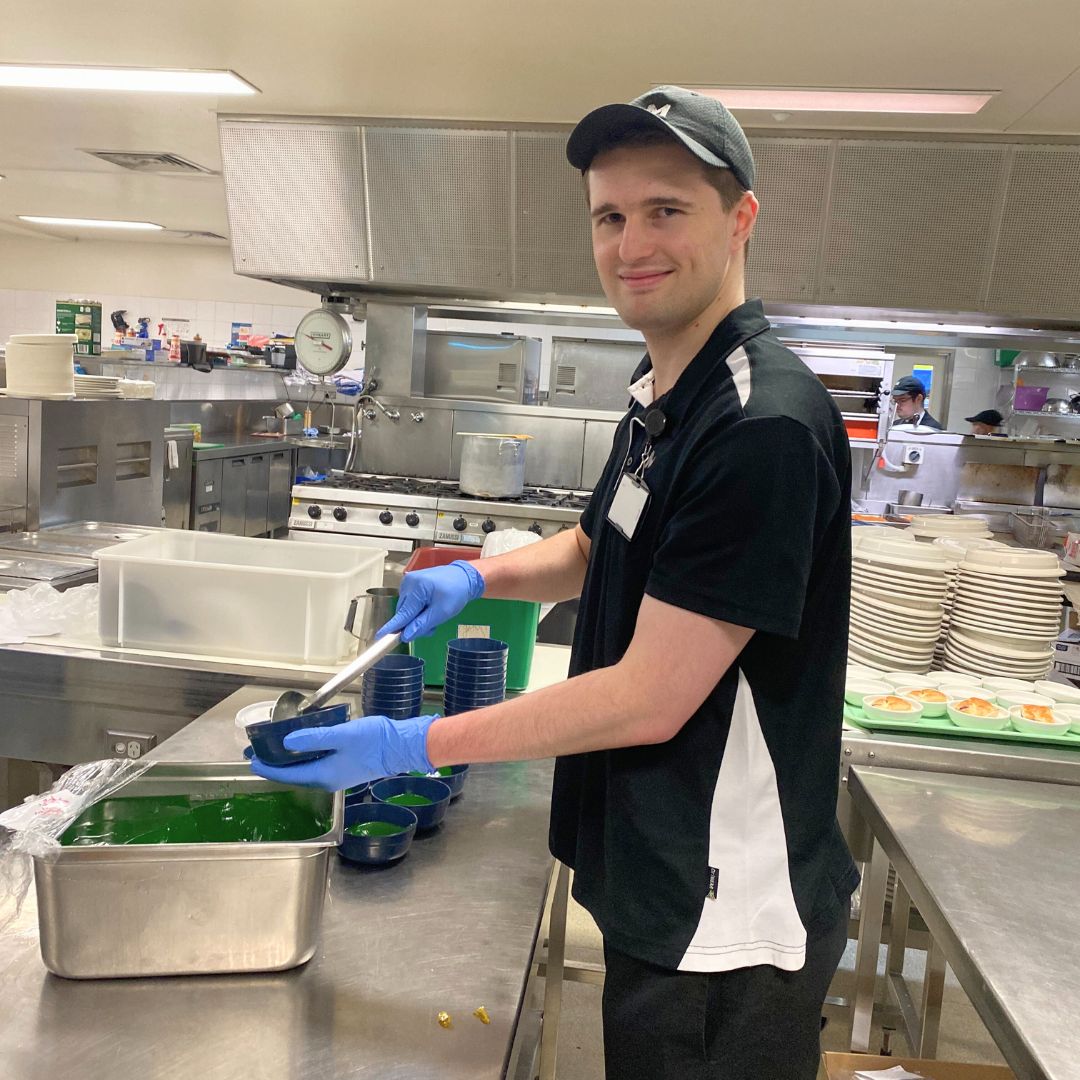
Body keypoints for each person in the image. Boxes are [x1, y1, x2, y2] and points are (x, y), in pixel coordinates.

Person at [251, 85, 859, 1080]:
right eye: (611, 216)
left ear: (741, 218)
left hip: (722, 910)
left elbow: (650, 697)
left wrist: (409, 742)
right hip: (657, 862)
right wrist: (475, 578)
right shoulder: (664, 389)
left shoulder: (762, 428)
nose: (632, 243)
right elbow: (593, 547)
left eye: (666, 210)